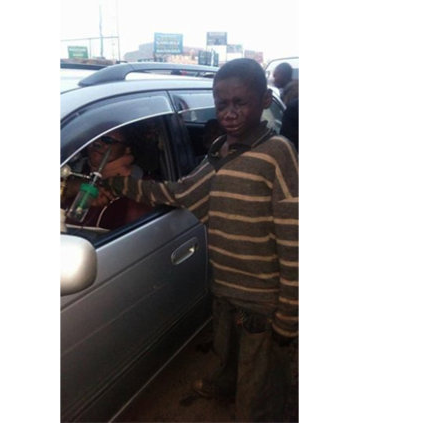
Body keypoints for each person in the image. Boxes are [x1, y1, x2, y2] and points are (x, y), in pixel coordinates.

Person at [106, 58, 298, 421]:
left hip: (263, 299)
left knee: (260, 386)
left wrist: (289, 313)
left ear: (264, 102)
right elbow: (180, 192)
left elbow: (294, 238)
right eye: (221, 103)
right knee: (228, 353)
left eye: (240, 103)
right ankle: (224, 384)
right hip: (225, 288)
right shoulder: (220, 152)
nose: (229, 113)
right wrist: (118, 184)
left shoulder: (278, 154)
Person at [61, 128, 151, 230]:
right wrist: (70, 188)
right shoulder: (69, 169)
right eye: (93, 137)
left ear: (127, 149)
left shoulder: (140, 189)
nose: (96, 143)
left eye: (107, 140)